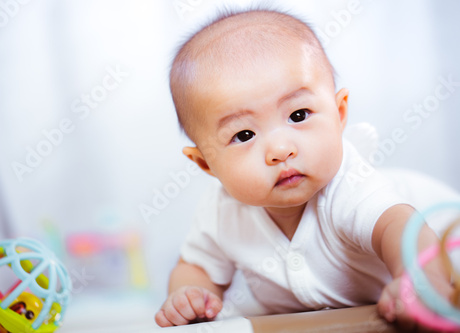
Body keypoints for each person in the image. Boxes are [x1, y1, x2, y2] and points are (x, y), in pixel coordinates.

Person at [155, 8, 454, 330]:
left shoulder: (350, 185)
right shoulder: (220, 210)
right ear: (205, 163)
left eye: (298, 115)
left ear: (339, 114)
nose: (281, 150)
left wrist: (423, 281)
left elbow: (398, 227)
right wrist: (190, 294)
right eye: (244, 135)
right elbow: (196, 266)